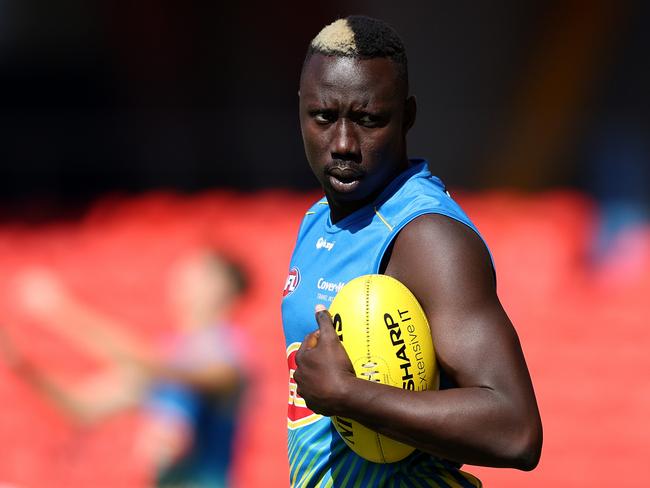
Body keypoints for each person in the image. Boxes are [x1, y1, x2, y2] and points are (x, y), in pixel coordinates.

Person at [281, 16, 542, 487]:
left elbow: (516, 429)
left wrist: (348, 395)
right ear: (300, 108)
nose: (343, 143)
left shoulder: (426, 236)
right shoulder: (318, 217)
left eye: (369, 119)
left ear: (408, 116)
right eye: (324, 116)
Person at [1, 248, 249, 488]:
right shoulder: (169, 355)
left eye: (199, 273)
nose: (182, 279)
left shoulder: (231, 355)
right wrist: (21, 364)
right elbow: (81, 407)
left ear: (223, 288)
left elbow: (147, 365)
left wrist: (58, 310)